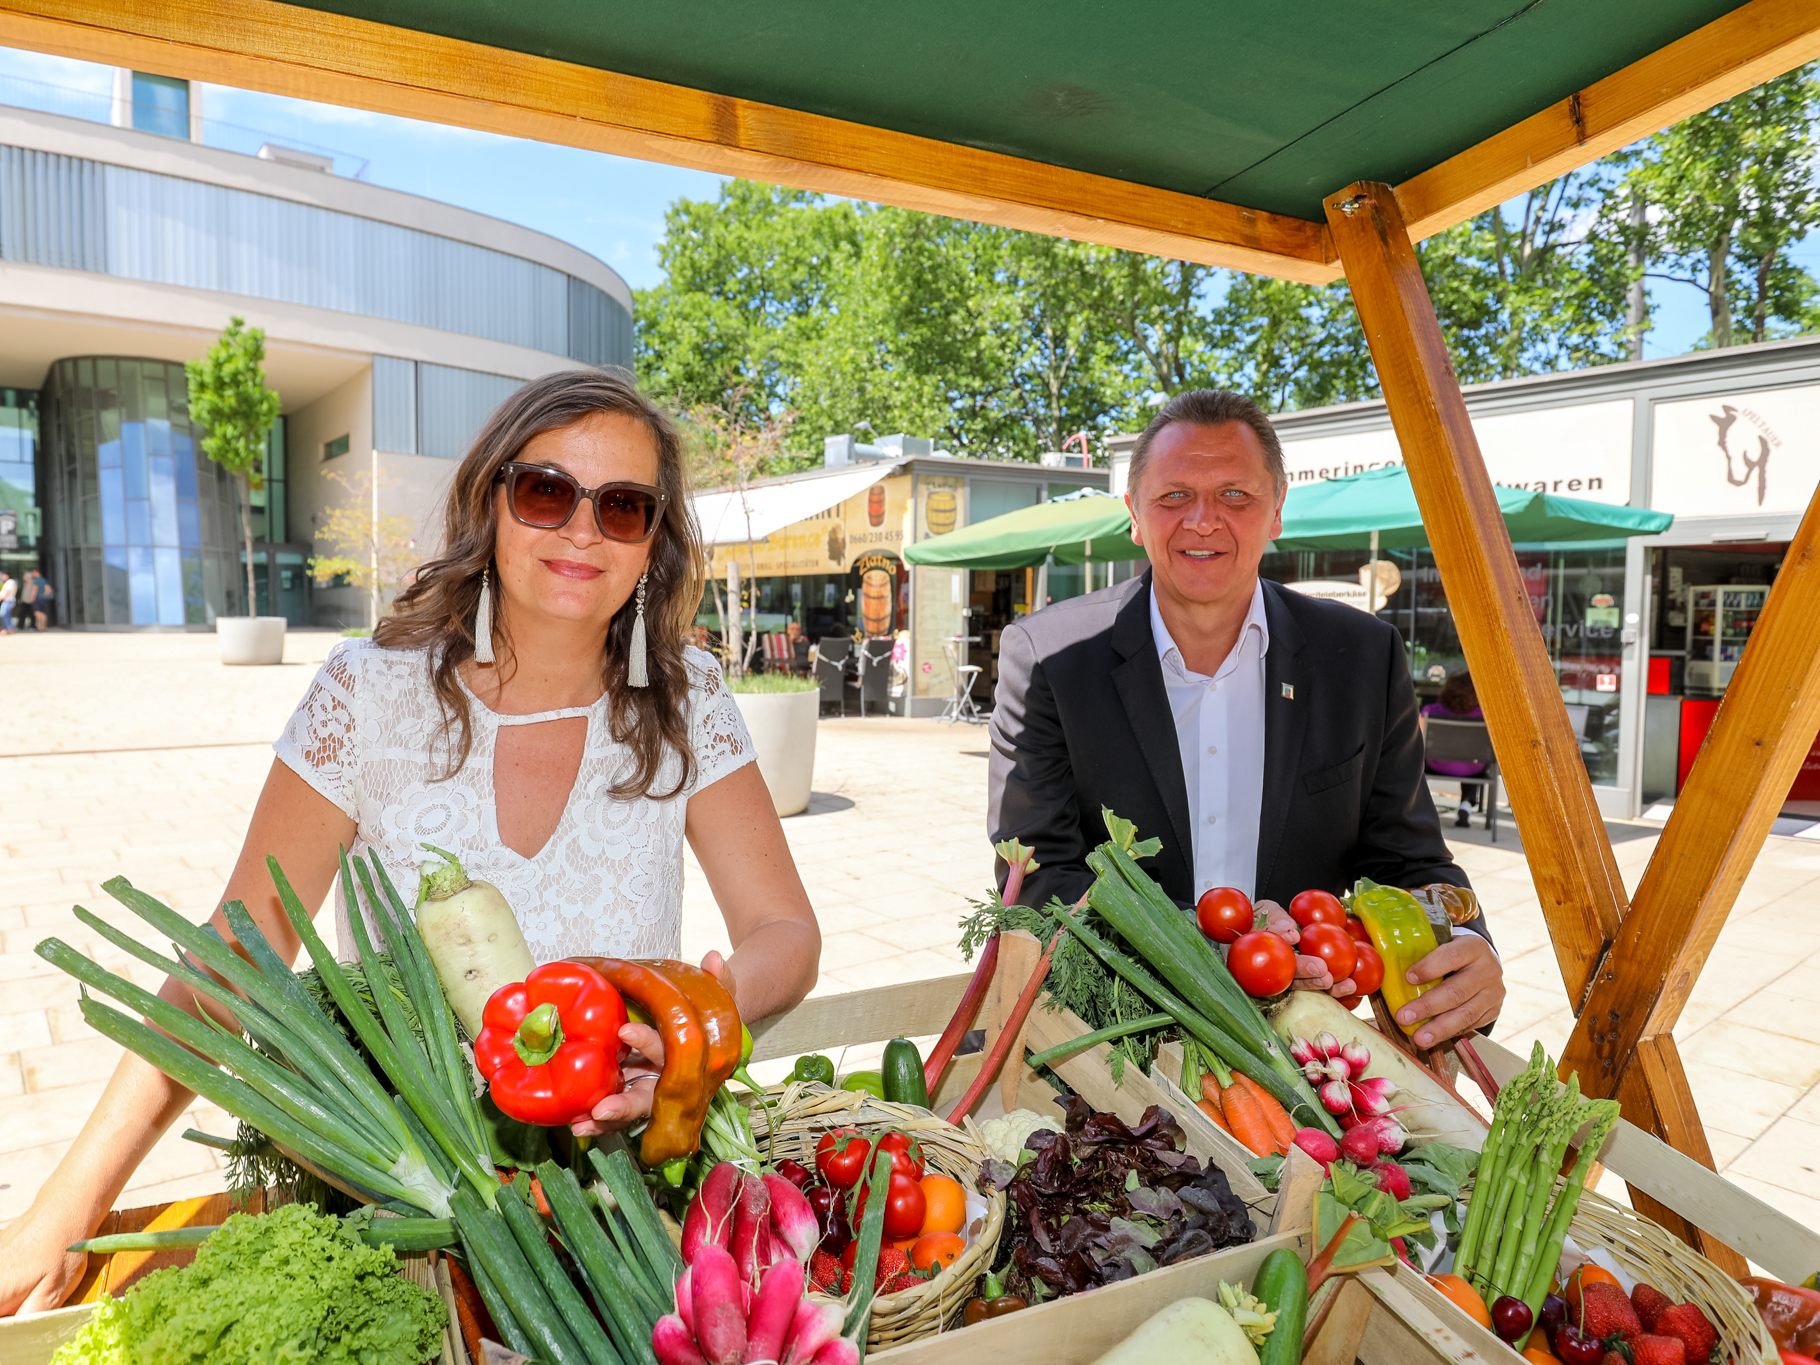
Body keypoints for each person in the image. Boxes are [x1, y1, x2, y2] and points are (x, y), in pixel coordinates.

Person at [0, 369, 822, 1315]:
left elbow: (784, 933)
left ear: (654, 545)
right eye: (547, 491)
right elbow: (235, 957)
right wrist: (69, 1206)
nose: (583, 530)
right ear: (493, 501)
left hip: (634, 1228)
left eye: (625, 507)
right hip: (407, 1229)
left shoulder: (693, 702)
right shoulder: (369, 695)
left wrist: (690, 1023)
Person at [988, 389, 1502, 1048]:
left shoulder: (1363, 657)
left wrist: (1461, 943)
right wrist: (1206, 958)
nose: (1204, 520)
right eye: (1174, 496)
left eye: (1236, 495)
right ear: (1135, 516)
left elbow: (1406, 859)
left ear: (1278, 512)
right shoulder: (1049, 657)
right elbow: (1036, 875)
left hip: (1303, 1059)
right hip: (1110, 1044)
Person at [1422, 672, 1488, 827]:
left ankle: (1423, 804)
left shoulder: (1431, 710)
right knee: (1473, 759)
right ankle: (1466, 804)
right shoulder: (1484, 714)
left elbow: (1417, 737)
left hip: (1436, 765)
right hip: (1472, 769)